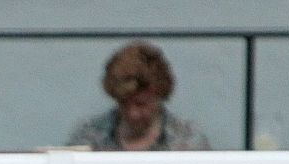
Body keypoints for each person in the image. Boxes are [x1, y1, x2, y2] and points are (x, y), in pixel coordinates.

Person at [66, 40, 209, 152]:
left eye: (141, 104)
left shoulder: (187, 140)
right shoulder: (90, 137)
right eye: (124, 103)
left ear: (159, 96)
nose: (132, 114)